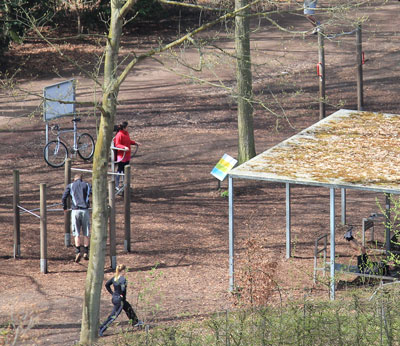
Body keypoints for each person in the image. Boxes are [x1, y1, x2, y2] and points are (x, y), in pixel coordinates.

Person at [99, 264, 142, 336]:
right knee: (113, 315)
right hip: (120, 300)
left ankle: (135, 322)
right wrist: (122, 295)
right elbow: (123, 289)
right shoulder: (122, 279)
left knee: (128, 308)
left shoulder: (115, 278)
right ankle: (101, 329)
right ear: (123, 270)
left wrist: (112, 293)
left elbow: (107, 285)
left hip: (115, 298)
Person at [62, 173, 91, 263]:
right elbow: (94, 193)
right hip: (85, 211)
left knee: (76, 233)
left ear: (74, 179)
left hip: (75, 211)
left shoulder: (70, 186)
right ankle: (86, 251)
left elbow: (64, 197)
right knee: (86, 232)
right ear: (81, 179)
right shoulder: (87, 185)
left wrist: (65, 207)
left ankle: (78, 251)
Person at [113, 121, 140, 190]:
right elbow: (117, 144)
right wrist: (124, 147)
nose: (128, 128)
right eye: (127, 127)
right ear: (124, 128)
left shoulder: (126, 133)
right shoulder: (119, 135)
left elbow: (128, 141)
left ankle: (125, 184)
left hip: (127, 155)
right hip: (121, 156)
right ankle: (117, 185)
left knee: (126, 171)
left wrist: (134, 143)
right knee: (120, 170)